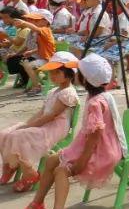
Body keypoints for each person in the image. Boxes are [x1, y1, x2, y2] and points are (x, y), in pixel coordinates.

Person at [14, 54, 124, 209]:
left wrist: (81, 162)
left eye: (78, 72)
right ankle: (37, 204)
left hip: (100, 151)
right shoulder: (99, 94)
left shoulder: (96, 103)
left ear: (85, 79)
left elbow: (95, 137)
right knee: (51, 161)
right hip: (89, 145)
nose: (75, 74)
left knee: (61, 170)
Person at [0, 51, 80, 192]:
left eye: (57, 73)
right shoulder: (53, 91)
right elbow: (42, 112)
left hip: (54, 128)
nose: (52, 76)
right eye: (51, 73)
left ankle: (30, 173)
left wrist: (28, 127)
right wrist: (25, 124)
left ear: (69, 73)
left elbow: (51, 116)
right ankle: (10, 166)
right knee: (5, 133)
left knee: (18, 135)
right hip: (43, 124)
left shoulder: (68, 93)